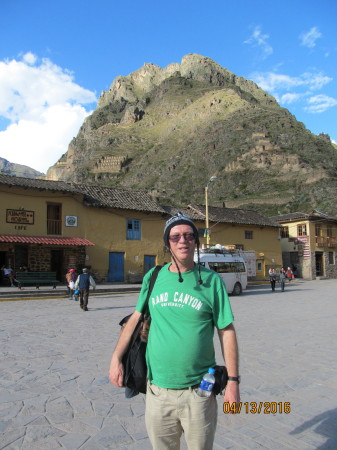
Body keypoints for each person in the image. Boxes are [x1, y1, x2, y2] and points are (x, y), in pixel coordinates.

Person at [109, 212, 240, 449]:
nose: (183, 241)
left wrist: (232, 382)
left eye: (189, 235)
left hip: (199, 392)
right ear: (167, 243)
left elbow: (226, 330)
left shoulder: (212, 281)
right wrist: (116, 359)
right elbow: (135, 318)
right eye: (176, 236)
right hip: (158, 391)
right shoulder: (154, 276)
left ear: (196, 241)